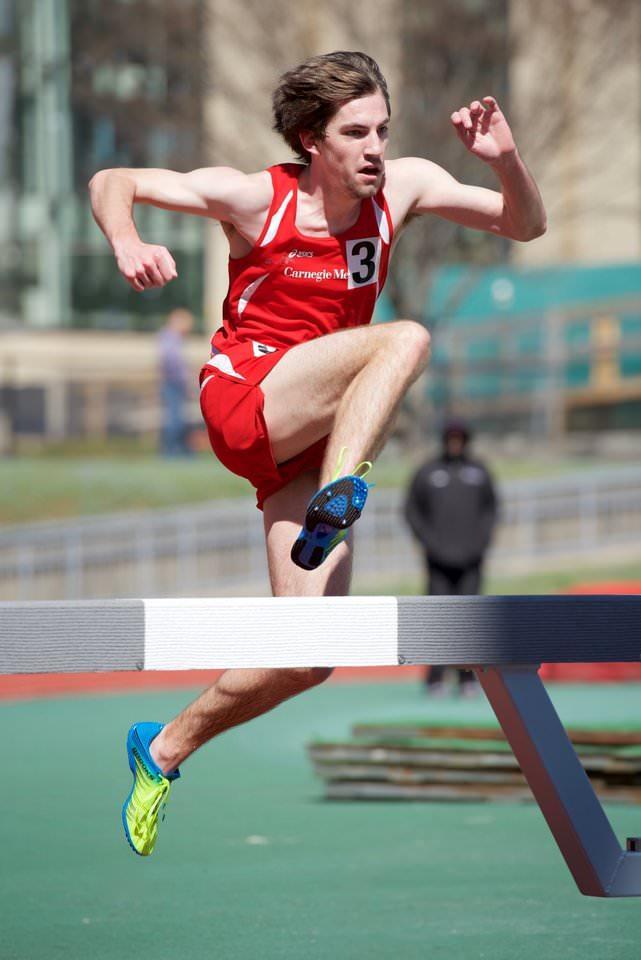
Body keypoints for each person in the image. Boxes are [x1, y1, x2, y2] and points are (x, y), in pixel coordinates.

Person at [88, 50, 546, 855]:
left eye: (383, 131)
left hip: (304, 442)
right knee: (404, 338)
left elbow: (524, 225)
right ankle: (343, 491)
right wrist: (125, 240)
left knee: (309, 655)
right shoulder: (253, 197)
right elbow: (111, 180)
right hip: (245, 400)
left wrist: (505, 158)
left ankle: (160, 750)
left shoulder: (400, 187)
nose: (375, 149)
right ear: (311, 139)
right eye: (355, 133)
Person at [404, 418, 499, 695]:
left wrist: (481, 542)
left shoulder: (479, 472)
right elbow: (411, 511)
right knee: (438, 618)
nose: (455, 443)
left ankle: (467, 679)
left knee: (470, 618)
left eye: (460, 438)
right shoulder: (428, 472)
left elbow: (491, 509)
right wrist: (428, 543)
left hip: (471, 560)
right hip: (438, 561)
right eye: (451, 438)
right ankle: (435, 678)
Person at [157, 307, 194, 456]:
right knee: (174, 418)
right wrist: (185, 379)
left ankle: (177, 449)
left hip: (175, 383)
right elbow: (171, 362)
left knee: (177, 417)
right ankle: (172, 451)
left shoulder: (172, 338)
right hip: (173, 383)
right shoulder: (169, 338)